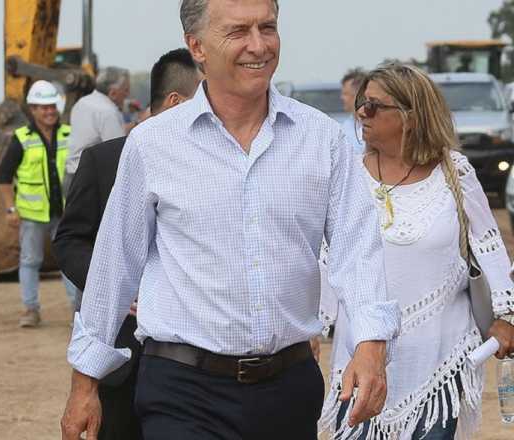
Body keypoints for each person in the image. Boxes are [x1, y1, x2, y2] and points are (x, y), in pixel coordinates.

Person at [60, 1, 402, 439]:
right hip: (183, 391)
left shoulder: (323, 141)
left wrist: (372, 346)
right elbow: (114, 268)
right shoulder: (152, 145)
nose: (258, 45)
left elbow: (358, 251)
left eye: (268, 27)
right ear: (196, 46)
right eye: (238, 31)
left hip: (289, 389)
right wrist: (85, 382)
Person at [318, 63, 514, 440]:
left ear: (411, 115)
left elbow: (490, 249)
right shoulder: (347, 176)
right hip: (361, 358)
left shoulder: (454, 173)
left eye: (374, 106)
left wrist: (507, 316)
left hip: (440, 359)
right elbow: (328, 261)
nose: (361, 113)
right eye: (361, 103)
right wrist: (311, 328)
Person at [54, 48, 201, 440]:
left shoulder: (210, 169)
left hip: (193, 364)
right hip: (120, 357)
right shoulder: (104, 162)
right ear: (176, 102)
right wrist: (116, 284)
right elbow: (69, 241)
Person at [0, 80, 79, 328]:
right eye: (43, 107)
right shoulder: (21, 138)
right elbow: (3, 177)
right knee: (30, 261)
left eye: (52, 106)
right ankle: (31, 309)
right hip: (32, 214)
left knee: (70, 261)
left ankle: (78, 310)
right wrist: (10, 208)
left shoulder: (69, 134)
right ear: (32, 109)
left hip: (64, 211)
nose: (49, 111)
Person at [66, 66, 130, 193]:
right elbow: (118, 152)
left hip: (71, 176)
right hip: (91, 182)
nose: (128, 94)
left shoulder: (82, 103)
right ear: (113, 93)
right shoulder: (108, 112)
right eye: (126, 90)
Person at [341, 68, 367, 154]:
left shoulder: (378, 126)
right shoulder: (343, 128)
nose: (341, 98)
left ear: (358, 94)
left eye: (345, 93)